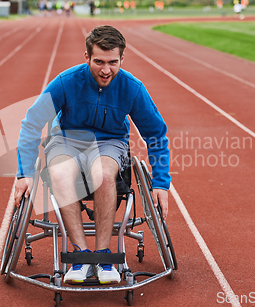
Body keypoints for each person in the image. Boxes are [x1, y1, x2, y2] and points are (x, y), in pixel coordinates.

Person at [13, 25, 170, 285]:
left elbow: (156, 133)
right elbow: (31, 123)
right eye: (98, 62)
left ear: (122, 59)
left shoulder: (132, 88)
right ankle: (81, 255)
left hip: (110, 142)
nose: (106, 70)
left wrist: (161, 183)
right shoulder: (66, 82)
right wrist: (24, 172)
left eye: (113, 62)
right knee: (60, 173)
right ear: (86, 57)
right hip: (67, 140)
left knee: (105, 174)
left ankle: (103, 255)